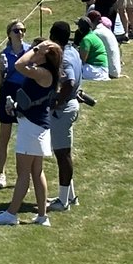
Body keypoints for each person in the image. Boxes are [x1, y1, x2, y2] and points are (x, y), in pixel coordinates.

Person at [0, 40, 62, 226]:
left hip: (32, 128)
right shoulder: (45, 72)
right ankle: (42, 216)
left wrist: (36, 50)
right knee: (37, 172)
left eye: (37, 51)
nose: (33, 51)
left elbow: (19, 65)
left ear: (46, 56)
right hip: (36, 126)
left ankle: (11, 214)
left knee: (23, 172)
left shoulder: (43, 73)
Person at [46, 21, 81, 213]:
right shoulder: (73, 51)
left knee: (63, 155)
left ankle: (62, 201)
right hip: (70, 106)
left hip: (64, 109)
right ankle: (70, 195)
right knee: (64, 153)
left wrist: (57, 101)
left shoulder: (65, 57)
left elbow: (69, 81)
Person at [0, 19, 30, 189]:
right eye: (16, 31)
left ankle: (24, 176)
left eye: (22, 30)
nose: (20, 34)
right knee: (4, 135)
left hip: (25, 93)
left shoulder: (30, 51)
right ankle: (1, 174)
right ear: (9, 34)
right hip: (8, 91)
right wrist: (0, 68)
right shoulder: (3, 54)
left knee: (24, 137)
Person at [73, 16, 110, 81]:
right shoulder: (92, 36)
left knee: (72, 70)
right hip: (101, 70)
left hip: (96, 70)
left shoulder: (86, 39)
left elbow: (82, 60)